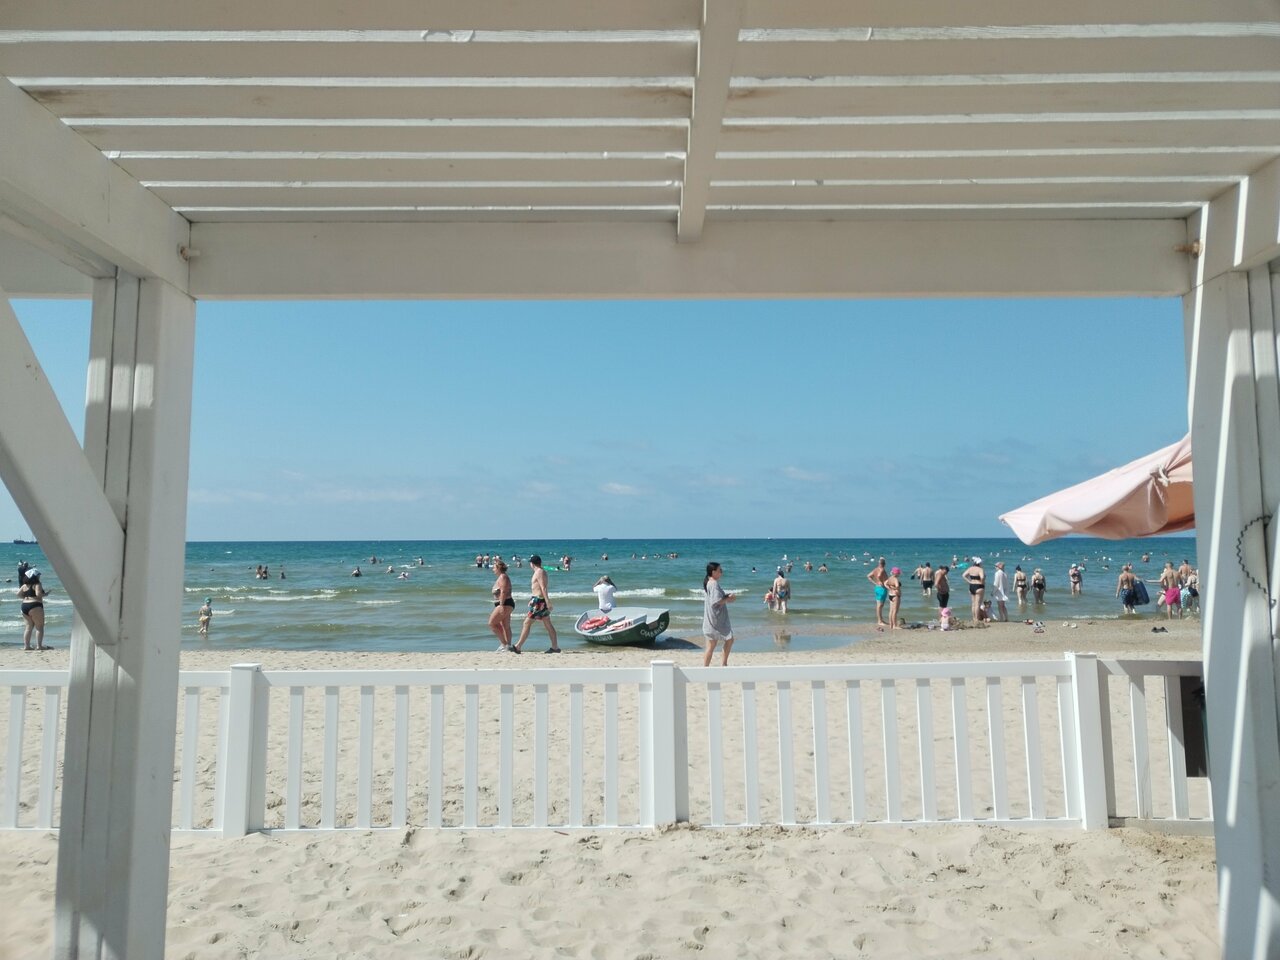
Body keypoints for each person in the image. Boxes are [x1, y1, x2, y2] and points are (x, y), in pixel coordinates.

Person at [513, 555, 560, 653]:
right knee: (547, 623)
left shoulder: (539, 572)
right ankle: (555, 647)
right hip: (537, 600)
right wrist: (532, 599)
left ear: (532, 563)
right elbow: (537, 588)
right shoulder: (540, 571)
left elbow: (543, 588)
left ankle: (518, 646)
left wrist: (547, 601)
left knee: (527, 623)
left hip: (539, 602)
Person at [701, 562, 735, 666]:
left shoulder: (709, 583)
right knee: (729, 639)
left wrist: (726, 597)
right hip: (716, 620)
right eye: (720, 570)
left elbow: (716, 599)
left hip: (711, 618)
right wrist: (728, 598)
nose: (721, 572)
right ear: (713, 572)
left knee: (711, 645)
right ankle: (723, 664)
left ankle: (705, 668)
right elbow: (716, 601)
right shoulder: (713, 584)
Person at [18, 567, 49, 650]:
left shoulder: (24, 585)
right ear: (35, 576)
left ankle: (26, 646)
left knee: (28, 627)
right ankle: (39, 646)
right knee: (39, 627)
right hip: (35, 606)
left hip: (24, 606)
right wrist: (45, 594)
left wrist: (26, 598)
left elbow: (18, 594)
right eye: (38, 575)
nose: (39, 576)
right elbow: (38, 594)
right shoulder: (37, 584)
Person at [488, 559, 515, 651]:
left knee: (492, 623)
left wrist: (501, 605)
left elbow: (503, 591)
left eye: (494, 568)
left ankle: (504, 644)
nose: (493, 569)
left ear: (499, 568)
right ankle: (508, 646)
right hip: (505, 603)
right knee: (505, 626)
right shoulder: (501, 577)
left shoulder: (503, 577)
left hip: (505, 603)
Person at [866, 557, 889, 629]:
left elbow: (868, 576)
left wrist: (875, 583)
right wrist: (880, 582)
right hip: (882, 588)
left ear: (879, 563)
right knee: (880, 605)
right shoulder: (882, 570)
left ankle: (881, 620)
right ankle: (879, 621)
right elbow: (879, 575)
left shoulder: (876, 569)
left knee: (879, 605)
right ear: (884, 564)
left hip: (877, 588)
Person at [963, 557, 986, 625]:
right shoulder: (980, 569)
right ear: (979, 563)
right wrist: (982, 583)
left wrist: (969, 581)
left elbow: (963, 575)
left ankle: (973, 618)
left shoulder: (970, 568)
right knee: (977, 604)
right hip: (979, 586)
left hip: (972, 586)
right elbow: (982, 577)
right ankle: (977, 619)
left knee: (973, 604)